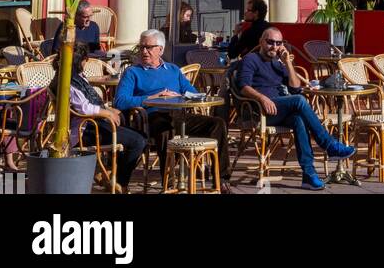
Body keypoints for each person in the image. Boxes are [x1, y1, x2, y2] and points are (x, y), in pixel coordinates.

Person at [238, 27, 355, 189]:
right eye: (270, 42)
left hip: (280, 109)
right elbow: (243, 86)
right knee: (299, 101)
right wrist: (262, 98)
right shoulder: (251, 59)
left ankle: (308, 175)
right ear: (261, 42)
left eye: (278, 43)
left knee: (299, 119)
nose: (274, 46)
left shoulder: (278, 63)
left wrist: (287, 63)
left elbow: (294, 87)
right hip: (260, 111)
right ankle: (329, 145)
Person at [113, 29, 231, 180]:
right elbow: (120, 101)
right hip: (150, 117)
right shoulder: (132, 72)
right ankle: (168, 182)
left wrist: (182, 95)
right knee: (165, 128)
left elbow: (194, 94)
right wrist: (152, 97)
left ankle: (221, 179)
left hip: (178, 115)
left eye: (149, 47)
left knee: (217, 124)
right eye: (142, 47)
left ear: (160, 50)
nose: (144, 51)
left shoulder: (173, 70)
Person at [64, 43, 146, 192]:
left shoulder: (75, 76)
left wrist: (109, 109)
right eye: (84, 60)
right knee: (138, 141)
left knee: (136, 133)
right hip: (85, 130)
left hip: (93, 123)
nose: (86, 63)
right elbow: (84, 107)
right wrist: (107, 113)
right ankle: (120, 182)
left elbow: (88, 101)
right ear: (81, 60)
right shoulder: (68, 81)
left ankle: (111, 175)